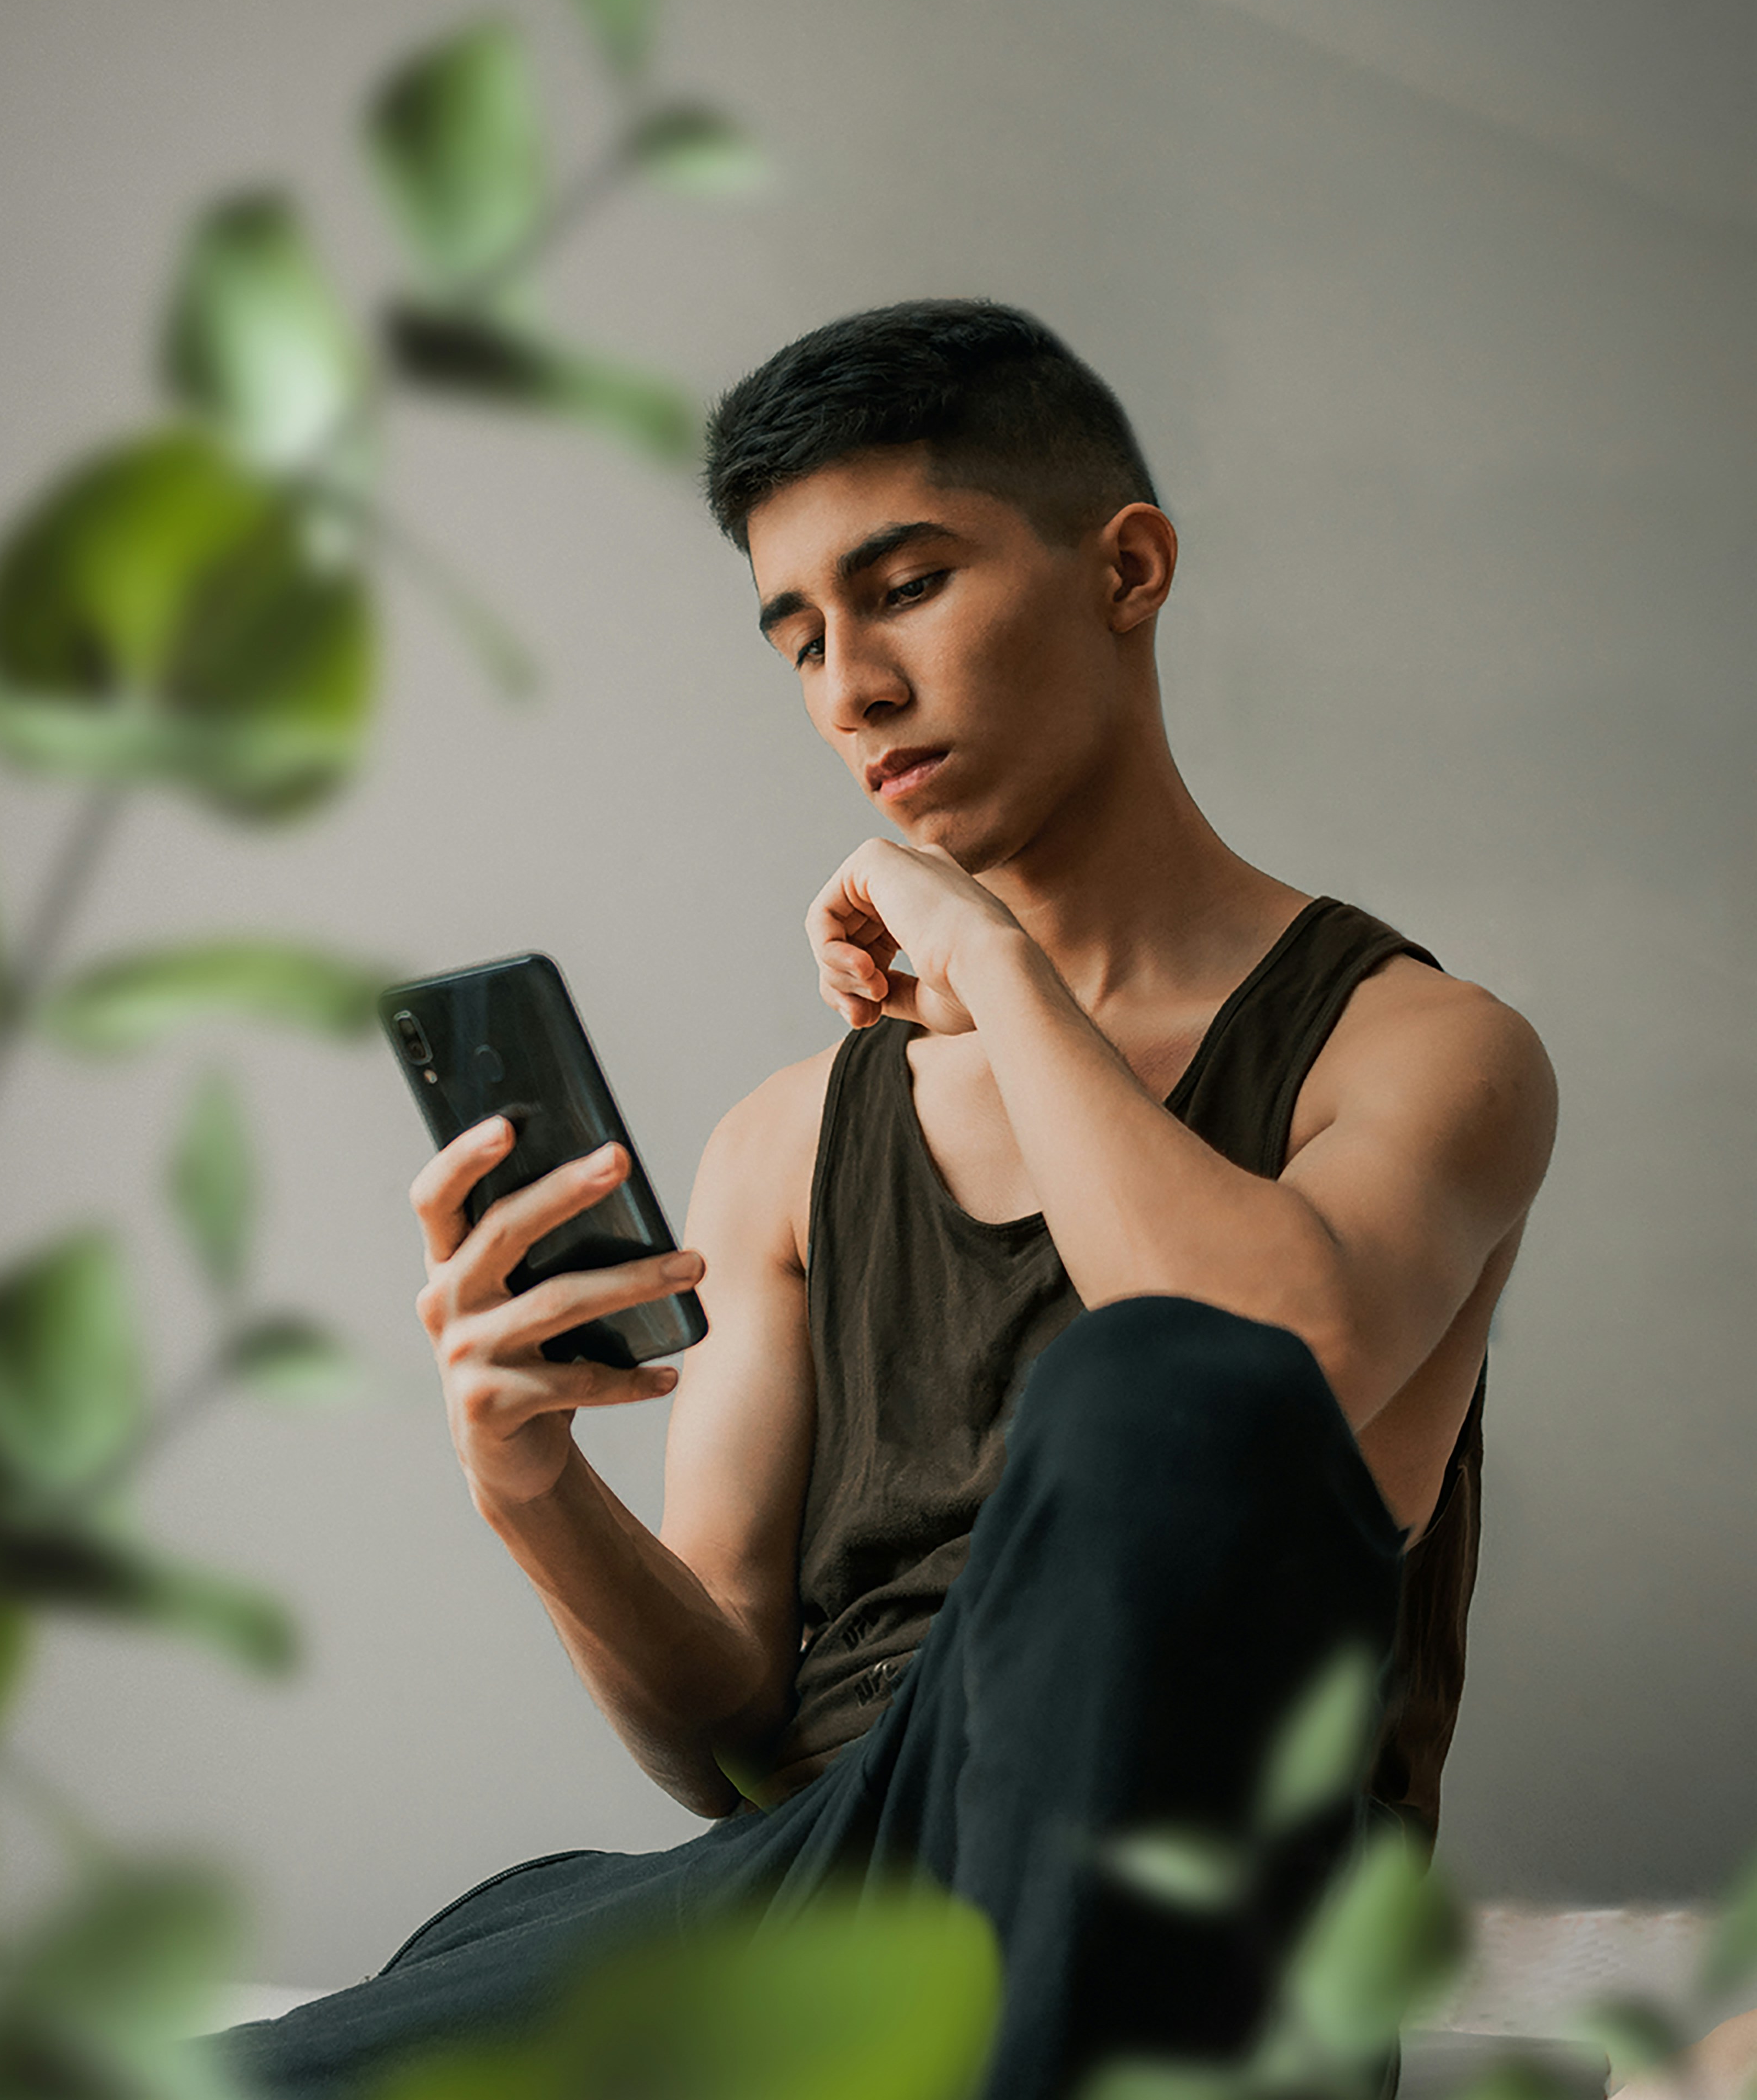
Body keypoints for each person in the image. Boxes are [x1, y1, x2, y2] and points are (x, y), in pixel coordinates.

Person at [226, 302, 1557, 2097]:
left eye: (906, 585)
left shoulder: (1422, 1052)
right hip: (838, 1869)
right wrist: (528, 1482)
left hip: (1208, 1903)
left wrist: (993, 961)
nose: (849, 686)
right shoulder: (788, 1143)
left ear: (1128, 568)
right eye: (797, 637)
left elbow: (1266, 1367)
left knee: (1142, 1388)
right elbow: (725, 1731)